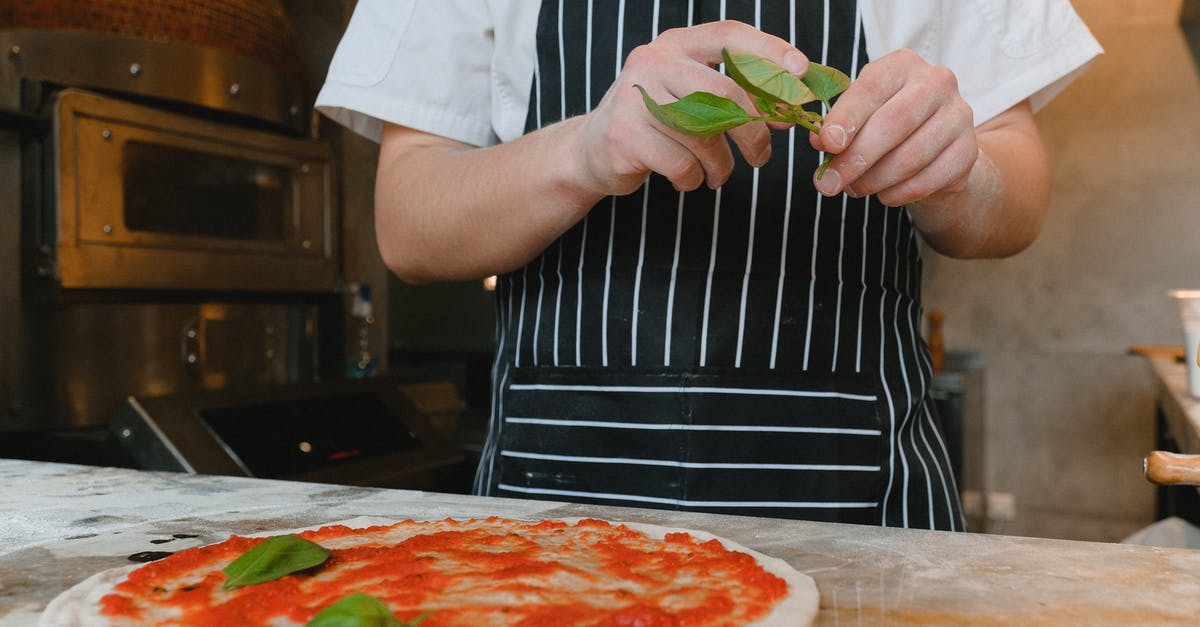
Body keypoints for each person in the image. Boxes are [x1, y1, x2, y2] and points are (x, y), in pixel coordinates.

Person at [317, 0, 1101, 531]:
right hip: (550, 523)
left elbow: (1017, 194)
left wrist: (958, 172)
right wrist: (584, 151)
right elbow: (408, 225)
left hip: (867, 513)